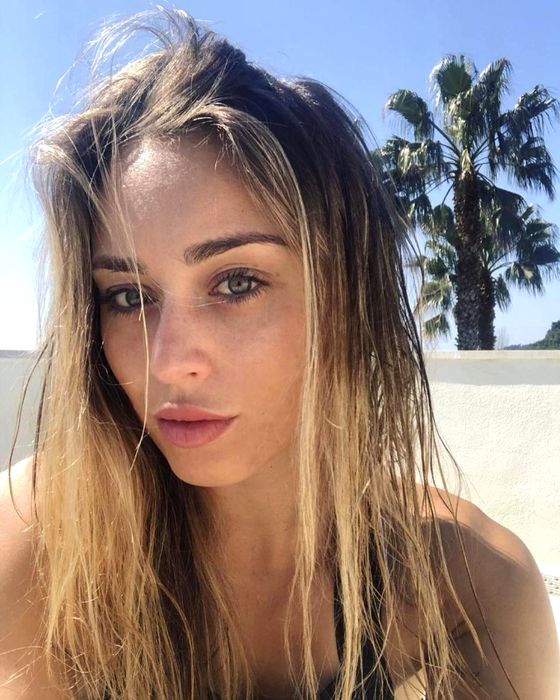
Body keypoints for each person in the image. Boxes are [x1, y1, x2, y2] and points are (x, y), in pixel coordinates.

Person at [0, 8, 558, 700]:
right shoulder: (37, 551)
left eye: (237, 283)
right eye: (127, 295)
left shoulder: (473, 595)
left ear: (345, 301)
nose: (167, 362)